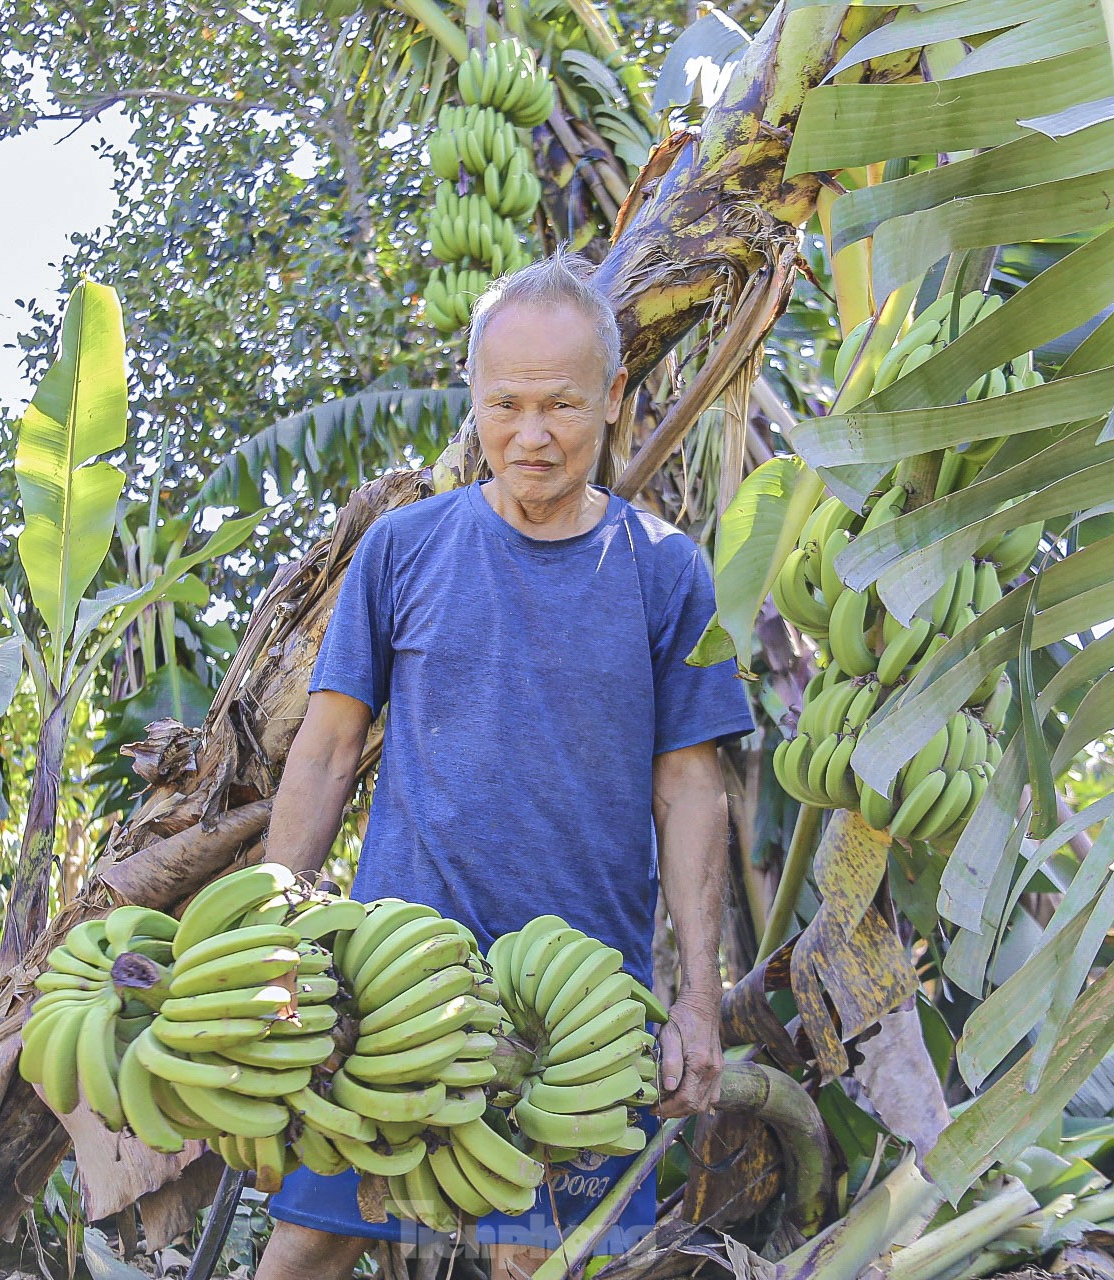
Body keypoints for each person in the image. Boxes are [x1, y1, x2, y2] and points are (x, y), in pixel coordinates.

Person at [254, 253, 753, 1279]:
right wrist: (274, 929)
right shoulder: (403, 549)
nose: (533, 433)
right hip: (393, 984)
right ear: (473, 401)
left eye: (563, 404)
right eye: (507, 403)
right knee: (309, 1241)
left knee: (552, 1261)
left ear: (613, 398)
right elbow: (329, 748)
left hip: (577, 1005)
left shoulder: (666, 569)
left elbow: (691, 786)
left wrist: (698, 995)